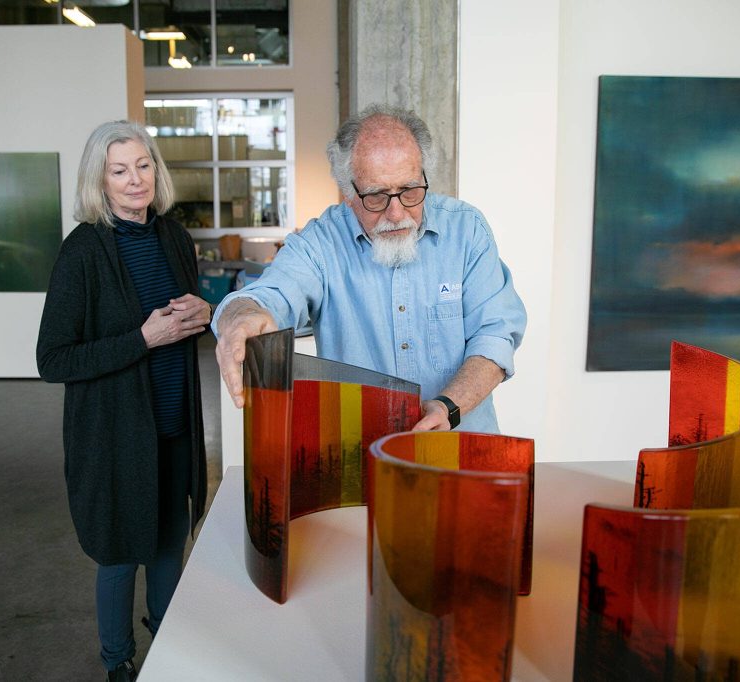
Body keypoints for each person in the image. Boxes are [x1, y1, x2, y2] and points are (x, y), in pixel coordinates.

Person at [213, 105, 526, 432]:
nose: (395, 213)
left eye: (409, 191)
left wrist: (449, 406)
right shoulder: (320, 243)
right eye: (376, 196)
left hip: (463, 451)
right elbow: (270, 294)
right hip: (360, 458)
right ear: (348, 193)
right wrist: (241, 316)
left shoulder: (467, 229)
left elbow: (495, 333)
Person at [36, 120, 210, 681]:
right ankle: (117, 660)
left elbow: (188, 322)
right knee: (118, 552)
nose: (135, 180)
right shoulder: (83, 251)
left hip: (173, 422)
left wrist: (204, 316)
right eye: (119, 170)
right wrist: (142, 338)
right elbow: (54, 359)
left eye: (143, 166)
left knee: (166, 541)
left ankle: (166, 631)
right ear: (100, 180)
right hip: (114, 434)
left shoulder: (174, 238)